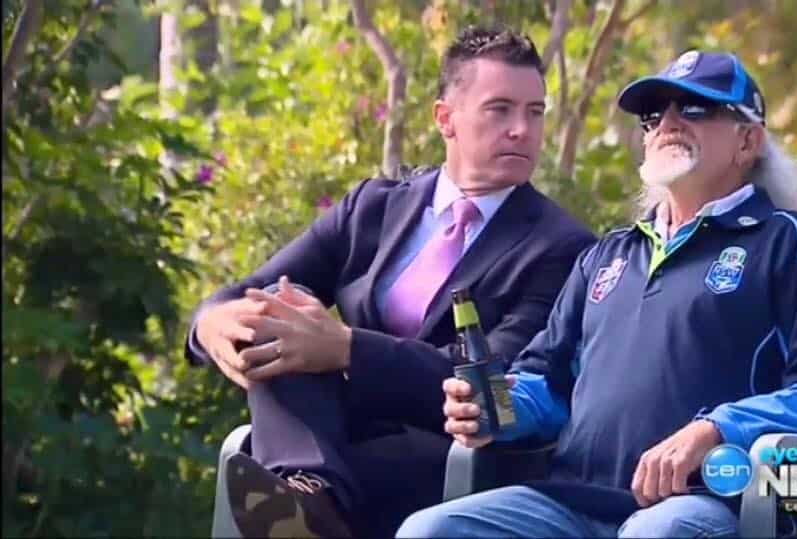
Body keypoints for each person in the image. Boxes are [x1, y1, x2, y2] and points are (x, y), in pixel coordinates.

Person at [398, 50, 797, 538]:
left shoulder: (787, 241)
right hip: (575, 501)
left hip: (707, 502)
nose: (667, 123)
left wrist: (717, 429)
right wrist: (497, 407)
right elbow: (549, 384)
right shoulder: (606, 256)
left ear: (747, 140)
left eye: (694, 109)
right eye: (654, 114)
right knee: (429, 530)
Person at [184, 25, 596, 538]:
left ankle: (312, 504)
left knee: (311, 422)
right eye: (500, 109)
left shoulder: (562, 247)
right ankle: (311, 498)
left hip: (448, 452)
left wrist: (347, 347)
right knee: (277, 314)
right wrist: (212, 323)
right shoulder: (373, 207)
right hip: (329, 433)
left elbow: (498, 383)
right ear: (445, 118)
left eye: (535, 112)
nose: (522, 129)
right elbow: (253, 291)